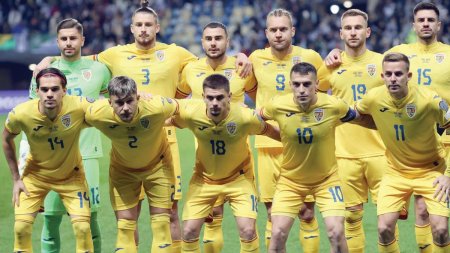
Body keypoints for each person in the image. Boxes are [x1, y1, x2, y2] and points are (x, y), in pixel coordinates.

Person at [35, 2, 252, 250]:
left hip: (164, 140)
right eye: (139, 25)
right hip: (127, 140)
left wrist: (242, 56)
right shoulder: (114, 54)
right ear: (131, 28)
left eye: (148, 24)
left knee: (169, 211)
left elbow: (211, 59)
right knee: (129, 215)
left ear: (157, 27)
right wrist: (48, 58)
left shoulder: (176, 53)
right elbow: (77, 57)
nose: (144, 29)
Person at [324, 2, 450, 251]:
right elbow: (352, 108)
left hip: (436, 142)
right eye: (420, 20)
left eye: (430, 20)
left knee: (430, 217)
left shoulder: (440, 60)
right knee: (374, 222)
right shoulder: (392, 56)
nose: (393, 77)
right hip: (389, 154)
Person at [17, 18, 111, 253]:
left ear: (82, 40)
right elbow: (33, 115)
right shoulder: (44, 73)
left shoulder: (99, 70)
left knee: (89, 220)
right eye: (64, 38)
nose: (68, 43)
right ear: (57, 41)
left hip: (87, 154)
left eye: (73, 38)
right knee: (50, 219)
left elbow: (114, 98)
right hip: (51, 160)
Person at [171, 74, 279, 253]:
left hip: (239, 180)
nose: (214, 103)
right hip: (203, 180)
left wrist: (296, 140)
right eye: (210, 98)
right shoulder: (191, 113)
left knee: (247, 229)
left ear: (229, 96)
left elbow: (270, 131)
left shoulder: (244, 117)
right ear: (203, 97)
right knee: (189, 231)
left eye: (220, 97)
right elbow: (167, 120)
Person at [355, 52, 450, 253]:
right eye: (388, 74)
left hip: (431, 171)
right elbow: (356, 114)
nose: (393, 78)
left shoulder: (429, 100)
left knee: (441, 230)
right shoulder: (374, 98)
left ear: (409, 76)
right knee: (383, 228)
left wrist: (448, 176)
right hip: (395, 172)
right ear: (382, 76)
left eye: (398, 74)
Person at [176, 21, 257, 253]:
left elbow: (258, 98)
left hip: (238, 161)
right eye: (208, 39)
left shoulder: (241, 67)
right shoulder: (191, 69)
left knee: (246, 228)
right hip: (205, 163)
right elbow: (178, 98)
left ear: (227, 42)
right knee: (212, 219)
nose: (213, 43)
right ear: (202, 42)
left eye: (218, 38)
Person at [249, 8, 323, 252]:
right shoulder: (255, 59)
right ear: (266, 32)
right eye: (273, 30)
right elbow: (251, 90)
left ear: (292, 30)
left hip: (303, 143)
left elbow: (322, 91)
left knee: (307, 211)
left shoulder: (310, 56)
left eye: (283, 29)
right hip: (268, 145)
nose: (278, 34)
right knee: (272, 212)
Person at [260, 62, 352, 253]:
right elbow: (257, 118)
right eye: (297, 84)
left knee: (336, 232)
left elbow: (358, 115)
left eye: (307, 84)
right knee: (277, 234)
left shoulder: (333, 105)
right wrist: (274, 133)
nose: (301, 89)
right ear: (290, 84)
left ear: (317, 84)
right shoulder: (278, 105)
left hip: (327, 181)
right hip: (290, 182)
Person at [317, 9, 386, 252]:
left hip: (382, 153)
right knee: (351, 219)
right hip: (344, 154)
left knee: (387, 221)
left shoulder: (382, 63)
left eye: (358, 27)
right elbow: (313, 100)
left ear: (367, 31)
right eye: (348, 28)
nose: (353, 32)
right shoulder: (329, 67)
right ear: (341, 33)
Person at [3, 67, 94, 252]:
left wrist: (137, 95)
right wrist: (16, 179)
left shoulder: (79, 106)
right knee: (20, 228)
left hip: (71, 176)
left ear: (64, 90)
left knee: (83, 228)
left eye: (55, 89)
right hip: (35, 176)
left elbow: (112, 106)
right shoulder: (21, 113)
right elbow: (6, 139)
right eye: (44, 90)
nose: (49, 94)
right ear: (37, 91)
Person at [85, 76, 179, 253]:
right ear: (109, 103)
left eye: (130, 101)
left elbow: (184, 107)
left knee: (161, 225)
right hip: (123, 171)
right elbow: (70, 105)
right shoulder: (97, 113)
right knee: (125, 228)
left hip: (158, 167)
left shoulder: (156, 107)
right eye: (119, 103)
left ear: (138, 98)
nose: (126, 108)